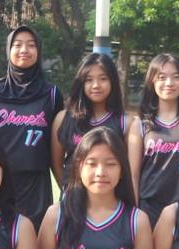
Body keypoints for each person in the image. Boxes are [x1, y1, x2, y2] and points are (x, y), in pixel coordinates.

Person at [0, 26, 62, 229]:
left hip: (36, 185)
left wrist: (65, 186)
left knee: (34, 240)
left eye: (31, 45)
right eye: (17, 45)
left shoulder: (51, 94)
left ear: (39, 51)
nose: (24, 50)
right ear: (8, 50)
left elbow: (57, 146)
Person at [128, 53, 179, 224]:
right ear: (152, 82)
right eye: (162, 77)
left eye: (176, 77)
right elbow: (133, 174)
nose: (169, 83)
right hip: (149, 208)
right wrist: (134, 212)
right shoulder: (140, 124)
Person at [51, 53, 128, 185]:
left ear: (113, 81)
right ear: (81, 83)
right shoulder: (62, 119)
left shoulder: (126, 123)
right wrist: (68, 190)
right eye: (89, 80)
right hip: (73, 194)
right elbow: (56, 165)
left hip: (108, 195)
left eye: (103, 79)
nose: (96, 85)